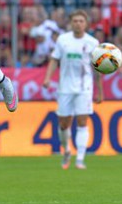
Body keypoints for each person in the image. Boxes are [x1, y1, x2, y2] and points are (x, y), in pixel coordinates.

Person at [43, 10, 104, 170]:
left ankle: (80, 159)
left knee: (82, 121)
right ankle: (67, 150)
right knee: (63, 124)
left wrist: (99, 90)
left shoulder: (93, 42)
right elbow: (54, 60)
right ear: (71, 23)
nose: (78, 23)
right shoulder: (63, 40)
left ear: (86, 24)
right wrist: (48, 78)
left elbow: (97, 68)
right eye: (75, 21)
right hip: (65, 87)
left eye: (81, 21)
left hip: (85, 87)